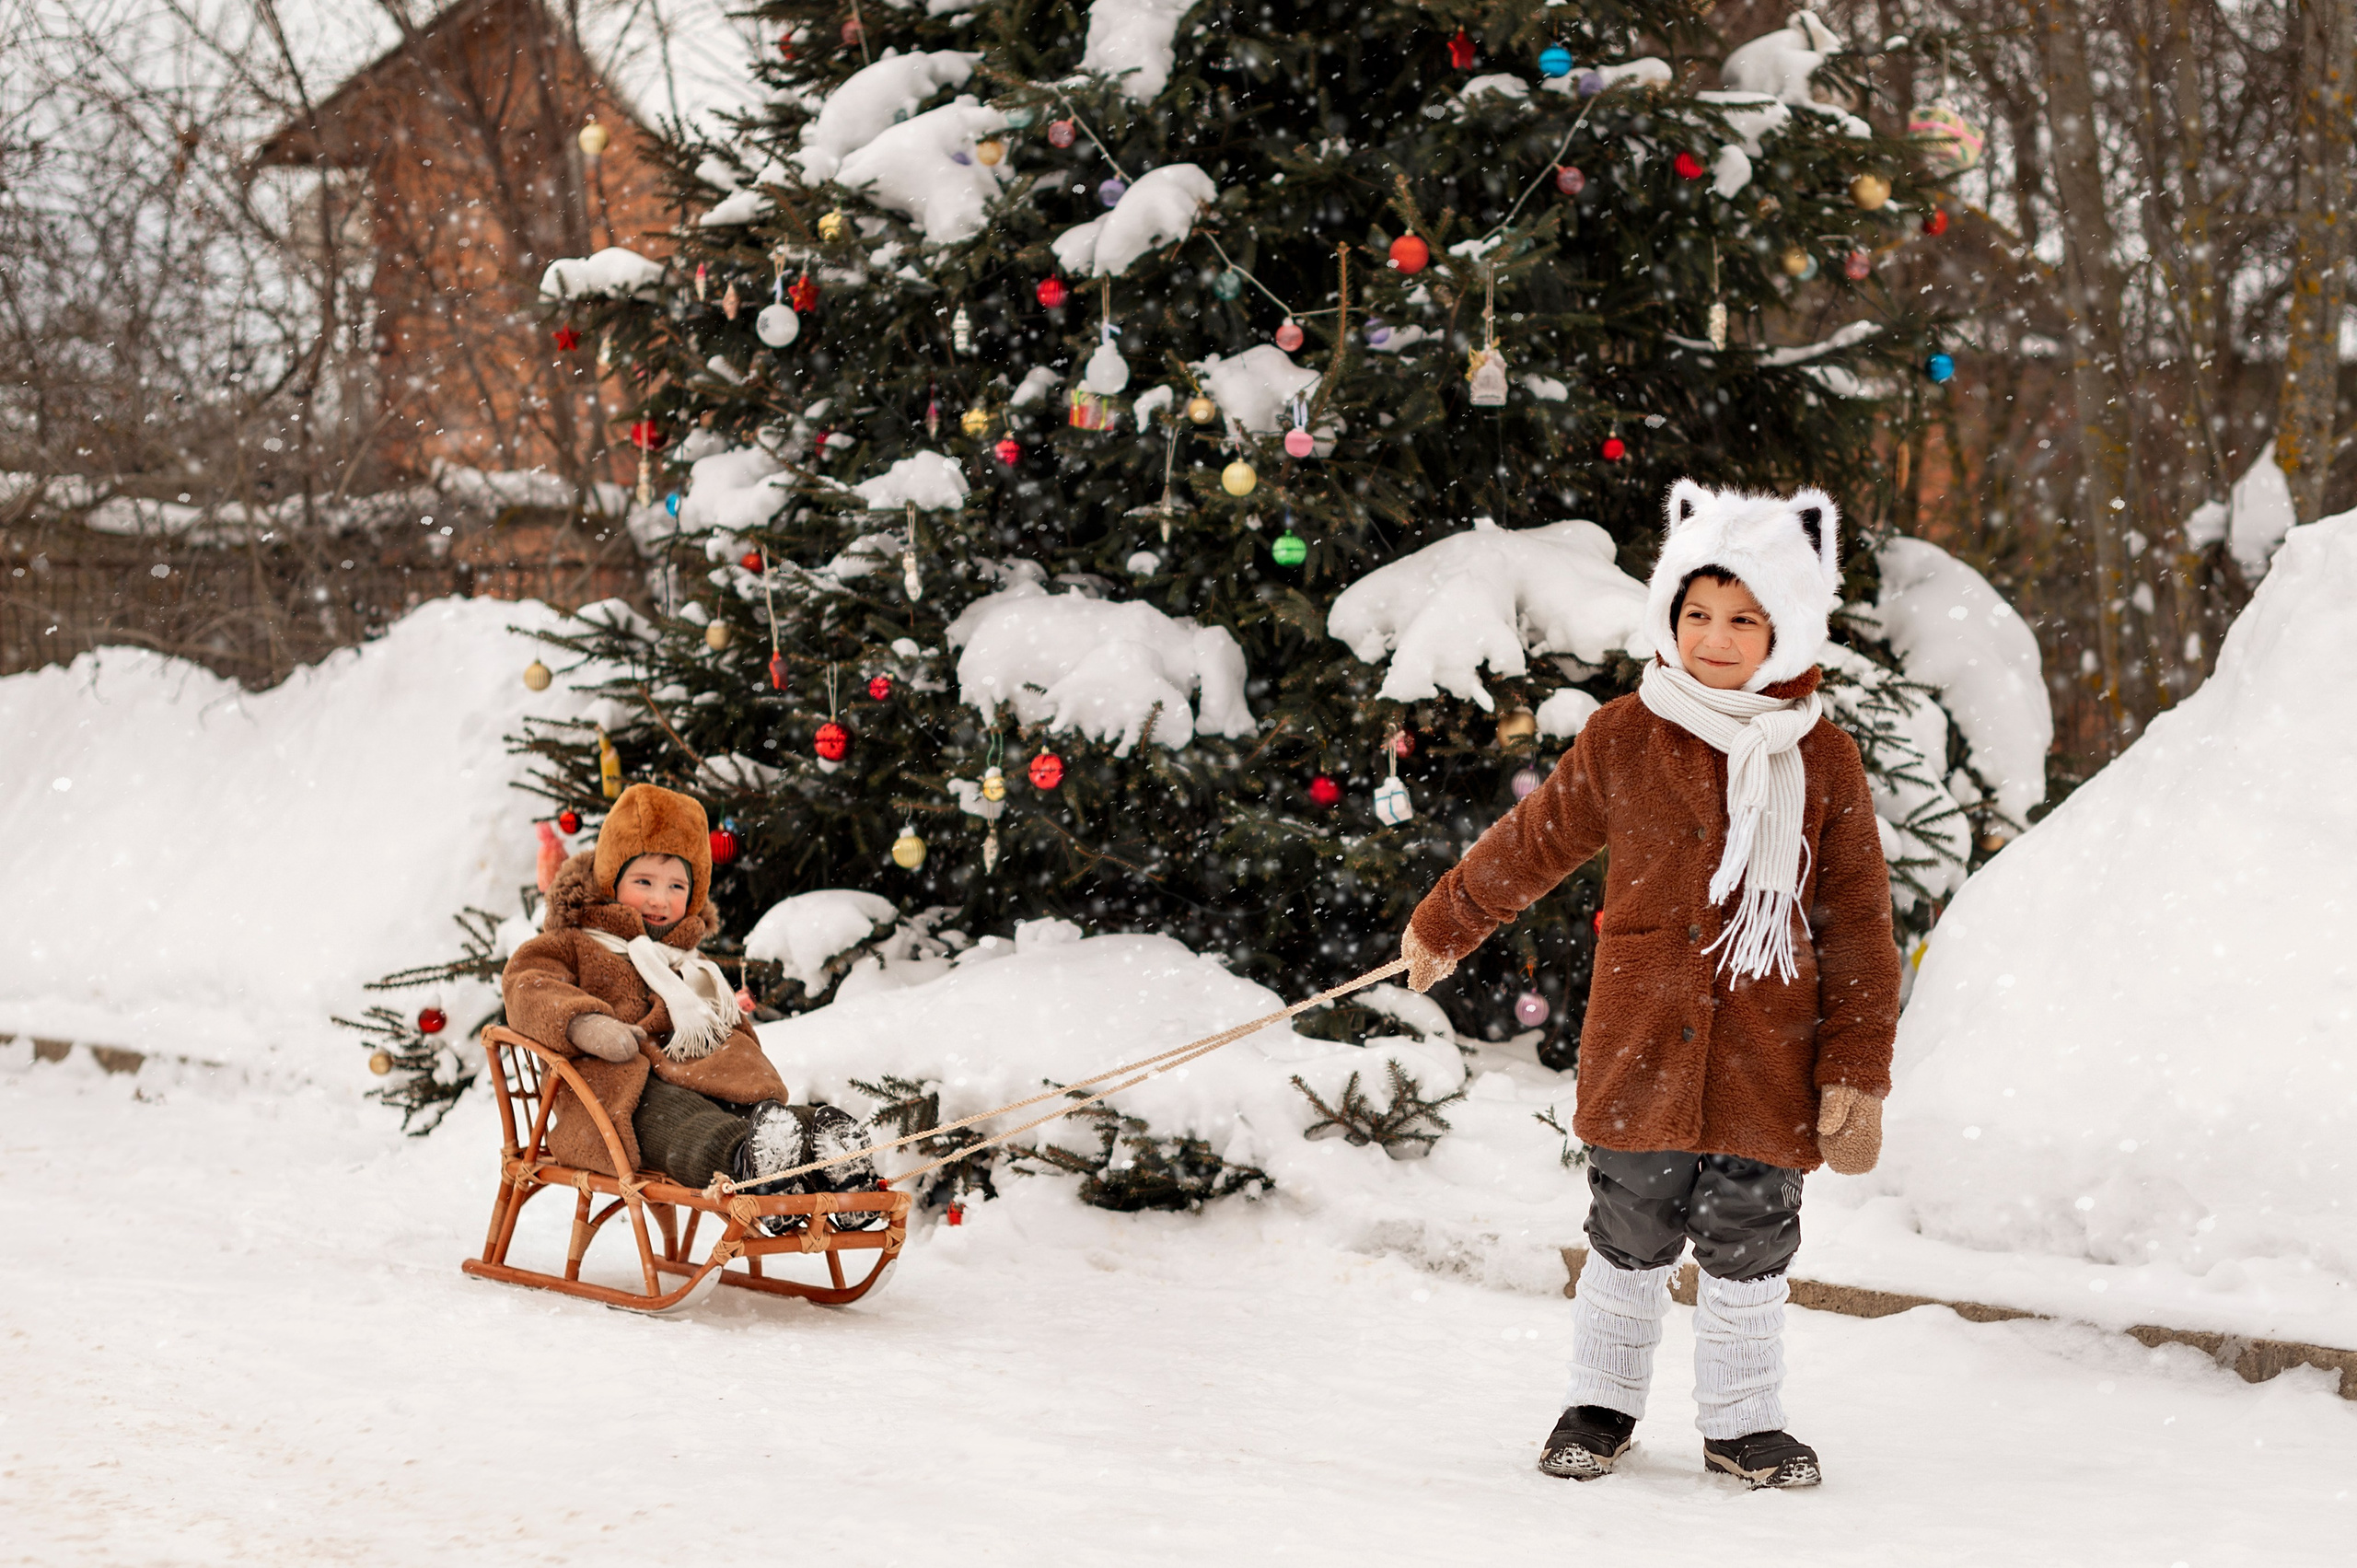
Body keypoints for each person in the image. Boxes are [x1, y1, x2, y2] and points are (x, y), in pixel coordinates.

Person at [1400, 481, 1899, 1489]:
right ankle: (1600, 1402)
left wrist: (1855, 1067)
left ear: (1786, 627)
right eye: (1697, 613)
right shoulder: (1627, 733)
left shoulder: (1823, 756)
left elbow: (1856, 919)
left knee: (1752, 1233)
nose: (1715, 637)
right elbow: (1534, 841)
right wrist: (1446, 921)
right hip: (1641, 1038)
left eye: (1743, 618)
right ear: (1669, 615)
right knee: (1628, 1226)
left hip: (1767, 1048)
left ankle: (1744, 1421)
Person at [502, 783, 877, 1230]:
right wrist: (585, 1023)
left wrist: (743, 1069)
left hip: (699, 1077)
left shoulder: (693, 967)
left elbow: (732, 1032)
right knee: (684, 1119)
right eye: (644, 882)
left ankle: (832, 1162)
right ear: (611, 880)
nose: (660, 899)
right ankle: (749, 1168)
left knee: (756, 1113)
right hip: (614, 1096)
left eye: (676, 885)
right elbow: (527, 986)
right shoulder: (575, 942)